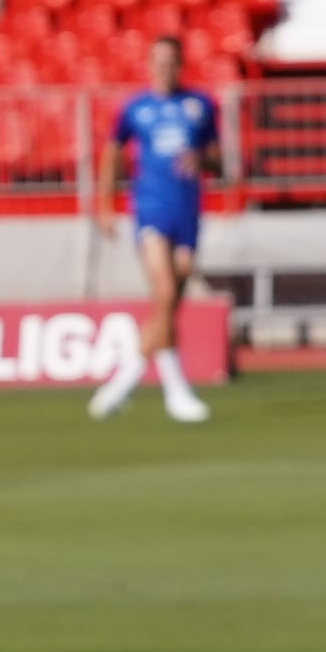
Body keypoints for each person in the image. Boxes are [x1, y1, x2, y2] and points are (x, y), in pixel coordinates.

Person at [86, 34, 227, 425]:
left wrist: (202, 159)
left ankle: (124, 382)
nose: (164, 68)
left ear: (180, 65)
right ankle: (176, 391)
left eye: (171, 61)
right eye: (158, 61)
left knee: (170, 300)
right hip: (150, 209)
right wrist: (105, 203)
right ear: (148, 65)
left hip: (188, 211)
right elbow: (112, 154)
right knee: (164, 291)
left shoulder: (199, 106)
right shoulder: (135, 109)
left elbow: (220, 161)